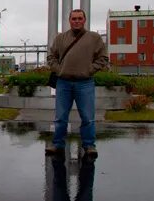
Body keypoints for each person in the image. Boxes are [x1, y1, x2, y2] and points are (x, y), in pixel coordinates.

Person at [46, 9, 108, 157]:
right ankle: (57, 144)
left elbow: (103, 58)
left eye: (80, 18)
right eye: (74, 19)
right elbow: (51, 57)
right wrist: (59, 70)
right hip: (63, 83)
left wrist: (89, 70)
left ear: (84, 20)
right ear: (69, 21)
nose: (77, 21)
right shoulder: (60, 38)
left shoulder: (94, 38)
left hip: (85, 83)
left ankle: (89, 145)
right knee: (60, 117)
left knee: (87, 117)